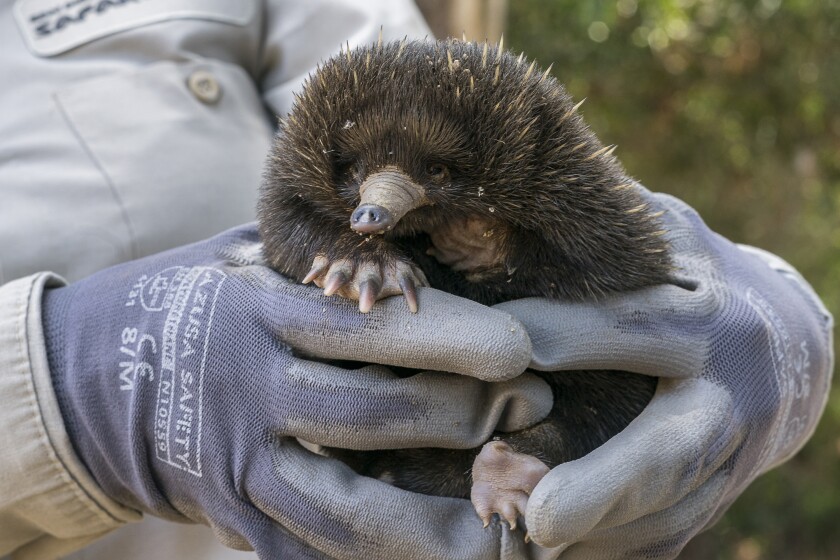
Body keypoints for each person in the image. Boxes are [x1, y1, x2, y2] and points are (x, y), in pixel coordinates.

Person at [0, 1, 833, 559]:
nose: (377, 205)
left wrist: (789, 331)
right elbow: (299, 201)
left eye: (425, 174)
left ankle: (524, 460)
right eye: (363, 178)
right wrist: (69, 393)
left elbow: (405, 80)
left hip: (487, 411)